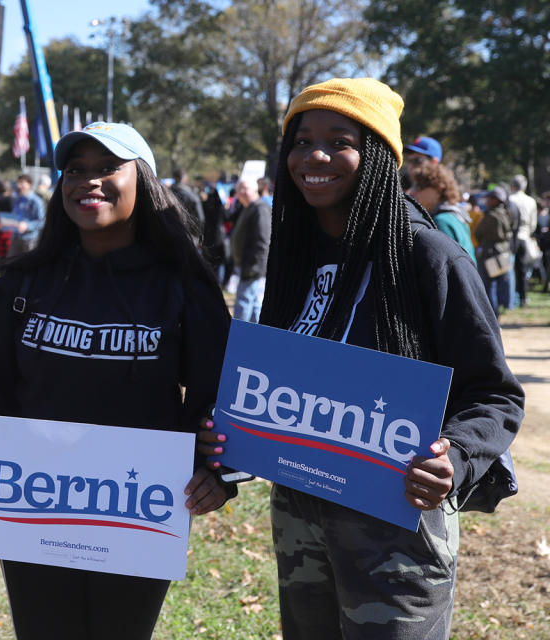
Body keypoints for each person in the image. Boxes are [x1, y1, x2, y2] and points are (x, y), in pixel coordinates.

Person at [200, 78, 523, 639]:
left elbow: (495, 393)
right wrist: (228, 440)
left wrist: (458, 458)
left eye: (339, 140)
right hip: (301, 522)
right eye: (300, 141)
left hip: (398, 532)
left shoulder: (428, 257)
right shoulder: (295, 257)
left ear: (376, 154)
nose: (314, 156)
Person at [0, 122, 232, 639]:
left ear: (142, 181)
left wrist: (215, 473)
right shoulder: (22, 281)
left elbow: (219, 392)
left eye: (107, 168)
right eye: (75, 170)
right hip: (31, 500)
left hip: (138, 508)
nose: (89, 181)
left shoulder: (184, 285)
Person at [407, 162, 476, 262]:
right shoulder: (456, 214)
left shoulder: (441, 220)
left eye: (420, 187)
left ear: (439, 189)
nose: (413, 192)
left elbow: (443, 263)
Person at [229, 177, 271, 322]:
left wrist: (253, 268)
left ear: (255, 190)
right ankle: (252, 339)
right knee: (253, 306)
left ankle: (238, 339)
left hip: (253, 268)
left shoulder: (260, 208)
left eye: (245, 188)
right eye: (239, 188)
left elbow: (263, 241)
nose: (241, 192)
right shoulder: (249, 208)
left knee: (244, 304)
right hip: (248, 267)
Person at [475, 186, 516, 316]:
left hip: (490, 254)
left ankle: (492, 314)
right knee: (500, 284)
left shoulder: (491, 216)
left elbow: (478, 233)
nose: (487, 201)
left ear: (496, 200)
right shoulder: (508, 213)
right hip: (504, 252)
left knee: (489, 286)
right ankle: (502, 309)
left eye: (489, 198)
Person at [508, 174, 539, 307]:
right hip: (525, 236)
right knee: (523, 269)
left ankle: (511, 299)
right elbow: (533, 224)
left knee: (510, 268)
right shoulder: (531, 201)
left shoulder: (510, 199)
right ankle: (523, 298)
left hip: (511, 237)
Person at [6, 173, 45, 257]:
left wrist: (27, 226)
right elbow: (14, 216)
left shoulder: (36, 201)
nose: (19, 185)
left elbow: (41, 222)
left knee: (28, 266)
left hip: (30, 240)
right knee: (12, 263)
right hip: (16, 237)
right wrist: (5, 223)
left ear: (29, 184)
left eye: (22, 183)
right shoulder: (17, 199)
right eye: (18, 183)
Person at [171, 167, 205, 235]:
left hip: (173, 232)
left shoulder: (168, 193)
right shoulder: (191, 195)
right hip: (190, 233)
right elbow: (201, 218)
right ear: (184, 177)